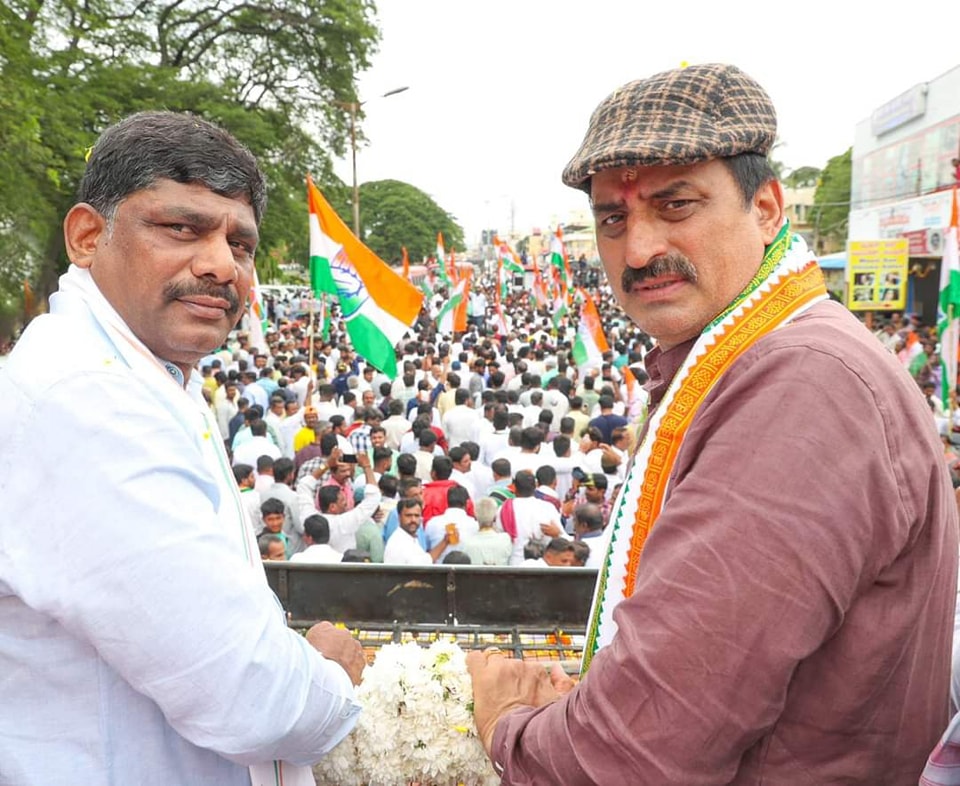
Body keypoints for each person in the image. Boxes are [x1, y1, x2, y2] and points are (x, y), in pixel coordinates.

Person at [466, 63, 958, 784]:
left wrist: (504, 721)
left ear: (766, 207)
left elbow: (637, 753)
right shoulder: (751, 359)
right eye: (613, 219)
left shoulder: (803, 387)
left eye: (676, 205)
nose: (638, 251)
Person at [0, 111, 365, 785]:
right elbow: (249, 695)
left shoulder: (144, 376)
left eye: (240, 243)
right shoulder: (86, 399)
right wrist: (328, 674)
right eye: (181, 228)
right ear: (87, 237)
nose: (222, 265)